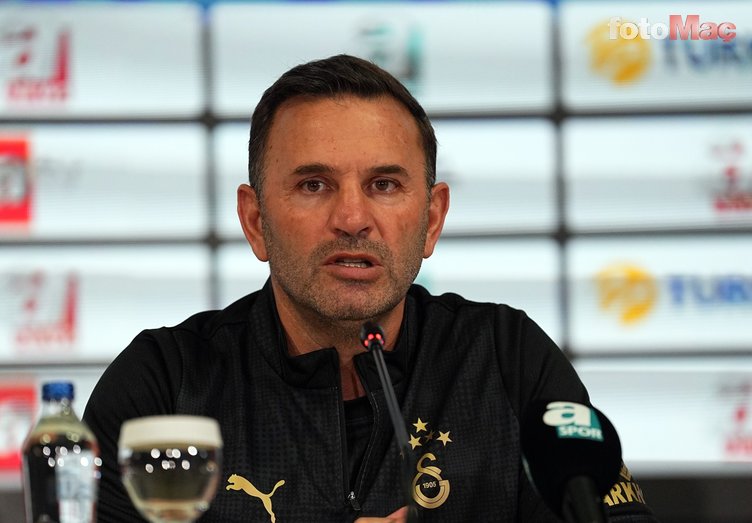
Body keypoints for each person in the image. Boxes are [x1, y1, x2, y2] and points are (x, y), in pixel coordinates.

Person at [84, 54, 657, 522]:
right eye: (314, 185)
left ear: (432, 219)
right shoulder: (165, 383)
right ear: (256, 222)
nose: (353, 219)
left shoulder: (507, 358)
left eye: (384, 184)